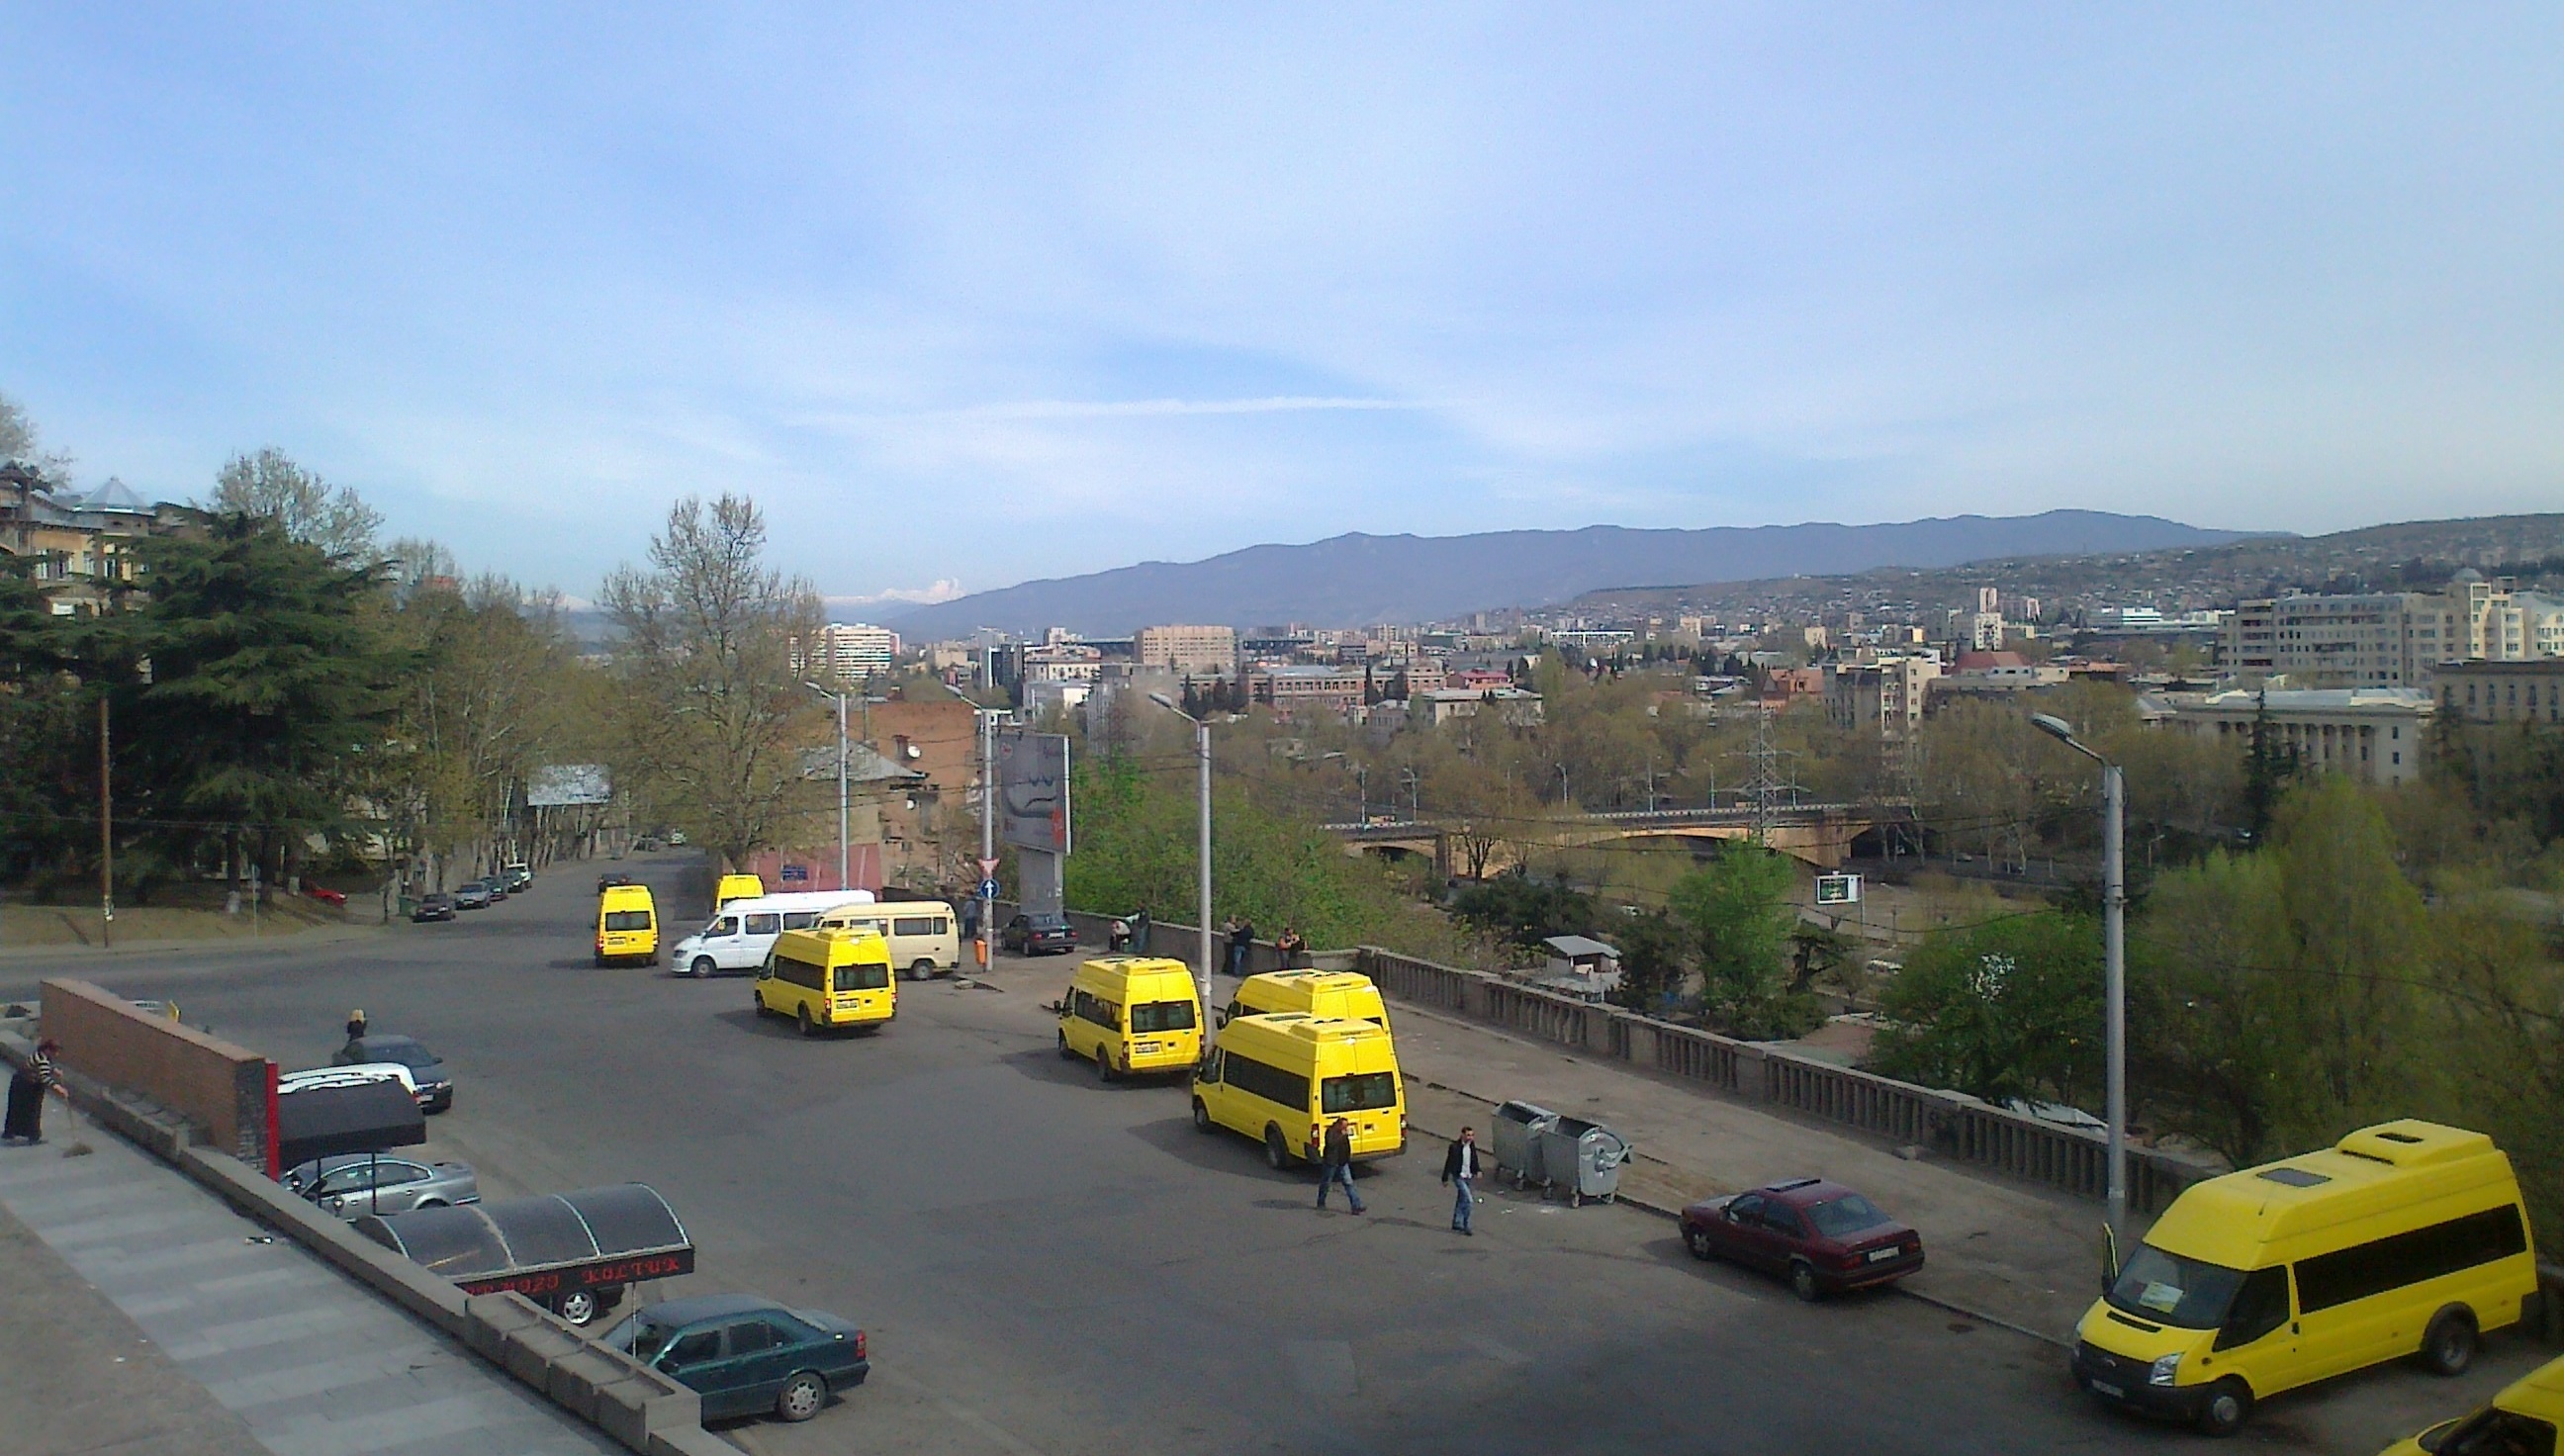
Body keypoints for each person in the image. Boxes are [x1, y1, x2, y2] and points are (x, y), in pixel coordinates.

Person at [4, 1040, 63, 1145]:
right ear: (47, 1050)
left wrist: (54, 1070)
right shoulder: (42, 1060)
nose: (56, 1054)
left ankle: (10, 1131)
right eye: (55, 1051)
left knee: (16, 1108)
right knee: (32, 1111)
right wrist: (57, 1087)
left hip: (21, 1083)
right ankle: (33, 1135)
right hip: (27, 1086)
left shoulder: (41, 1056)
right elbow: (44, 1077)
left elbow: (45, 1067)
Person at [1316, 1116, 1365, 1215]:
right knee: (1326, 1182)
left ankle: (1356, 1206)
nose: (1345, 1128)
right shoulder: (1330, 1132)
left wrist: (1347, 1158)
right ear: (1338, 1125)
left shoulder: (1344, 1134)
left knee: (1349, 1183)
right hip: (1331, 1162)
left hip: (1342, 1162)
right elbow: (1331, 1144)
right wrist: (1341, 1136)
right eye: (1343, 1126)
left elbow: (1347, 1147)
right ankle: (1321, 1202)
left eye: (1346, 1126)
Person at [1441, 1126, 1482, 1235]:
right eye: (1468, 1135)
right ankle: (1466, 1225)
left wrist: (1477, 1170)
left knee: (1461, 1199)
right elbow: (1449, 1162)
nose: (1470, 1137)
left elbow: (1474, 1158)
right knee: (1469, 1200)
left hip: (1468, 1176)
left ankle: (1456, 1222)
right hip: (1459, 1176)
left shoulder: (1471, 1146)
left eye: (1472, 1135)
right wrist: (1445, 1178)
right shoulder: (1454, 1147)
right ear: (1462, 1135)